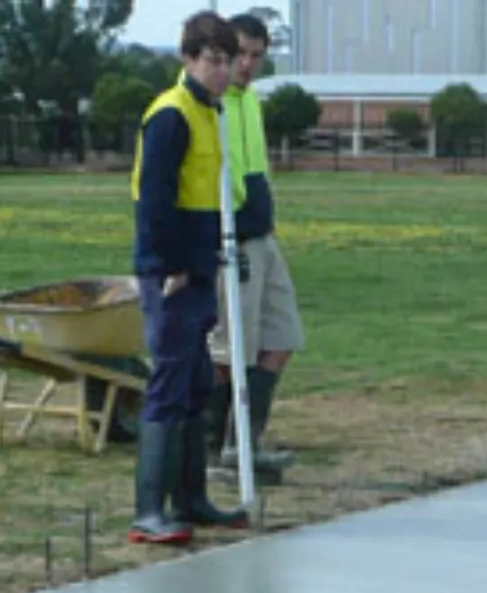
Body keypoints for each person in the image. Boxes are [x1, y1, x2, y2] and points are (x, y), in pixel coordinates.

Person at [128, 10, 249, 543]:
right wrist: (172, 265)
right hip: (172, 272)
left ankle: (192, 500)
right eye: (214, 60)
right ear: (189, 59)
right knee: (171, 381)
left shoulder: (209, 113)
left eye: (228, 60)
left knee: (197, 382)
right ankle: (148, 511)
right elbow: (155, 199)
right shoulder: (171, 114)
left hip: (201, 266)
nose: (223, 70)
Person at [205, 10, 305, 480]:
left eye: (256, 56)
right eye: (240, 54)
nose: (246, 65)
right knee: (231, 351)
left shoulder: (250, 104)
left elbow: (256, 168)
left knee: (282, 338)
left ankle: (246, 439)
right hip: (231, 241)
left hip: (263, 238)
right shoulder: (213, 103)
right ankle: (222, 446)